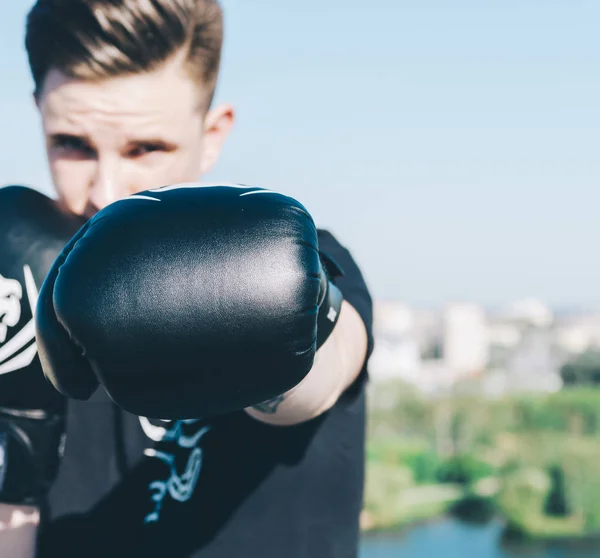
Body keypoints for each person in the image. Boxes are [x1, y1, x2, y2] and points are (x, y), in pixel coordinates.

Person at [0, 0, 374, 556]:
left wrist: (293, 319)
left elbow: (323, 374)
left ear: (214, 132)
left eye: (146, 148)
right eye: (72, 145)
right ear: (39, 115)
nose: (105, 191)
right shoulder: (22, 281)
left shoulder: (300, 258)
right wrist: (17, 475)